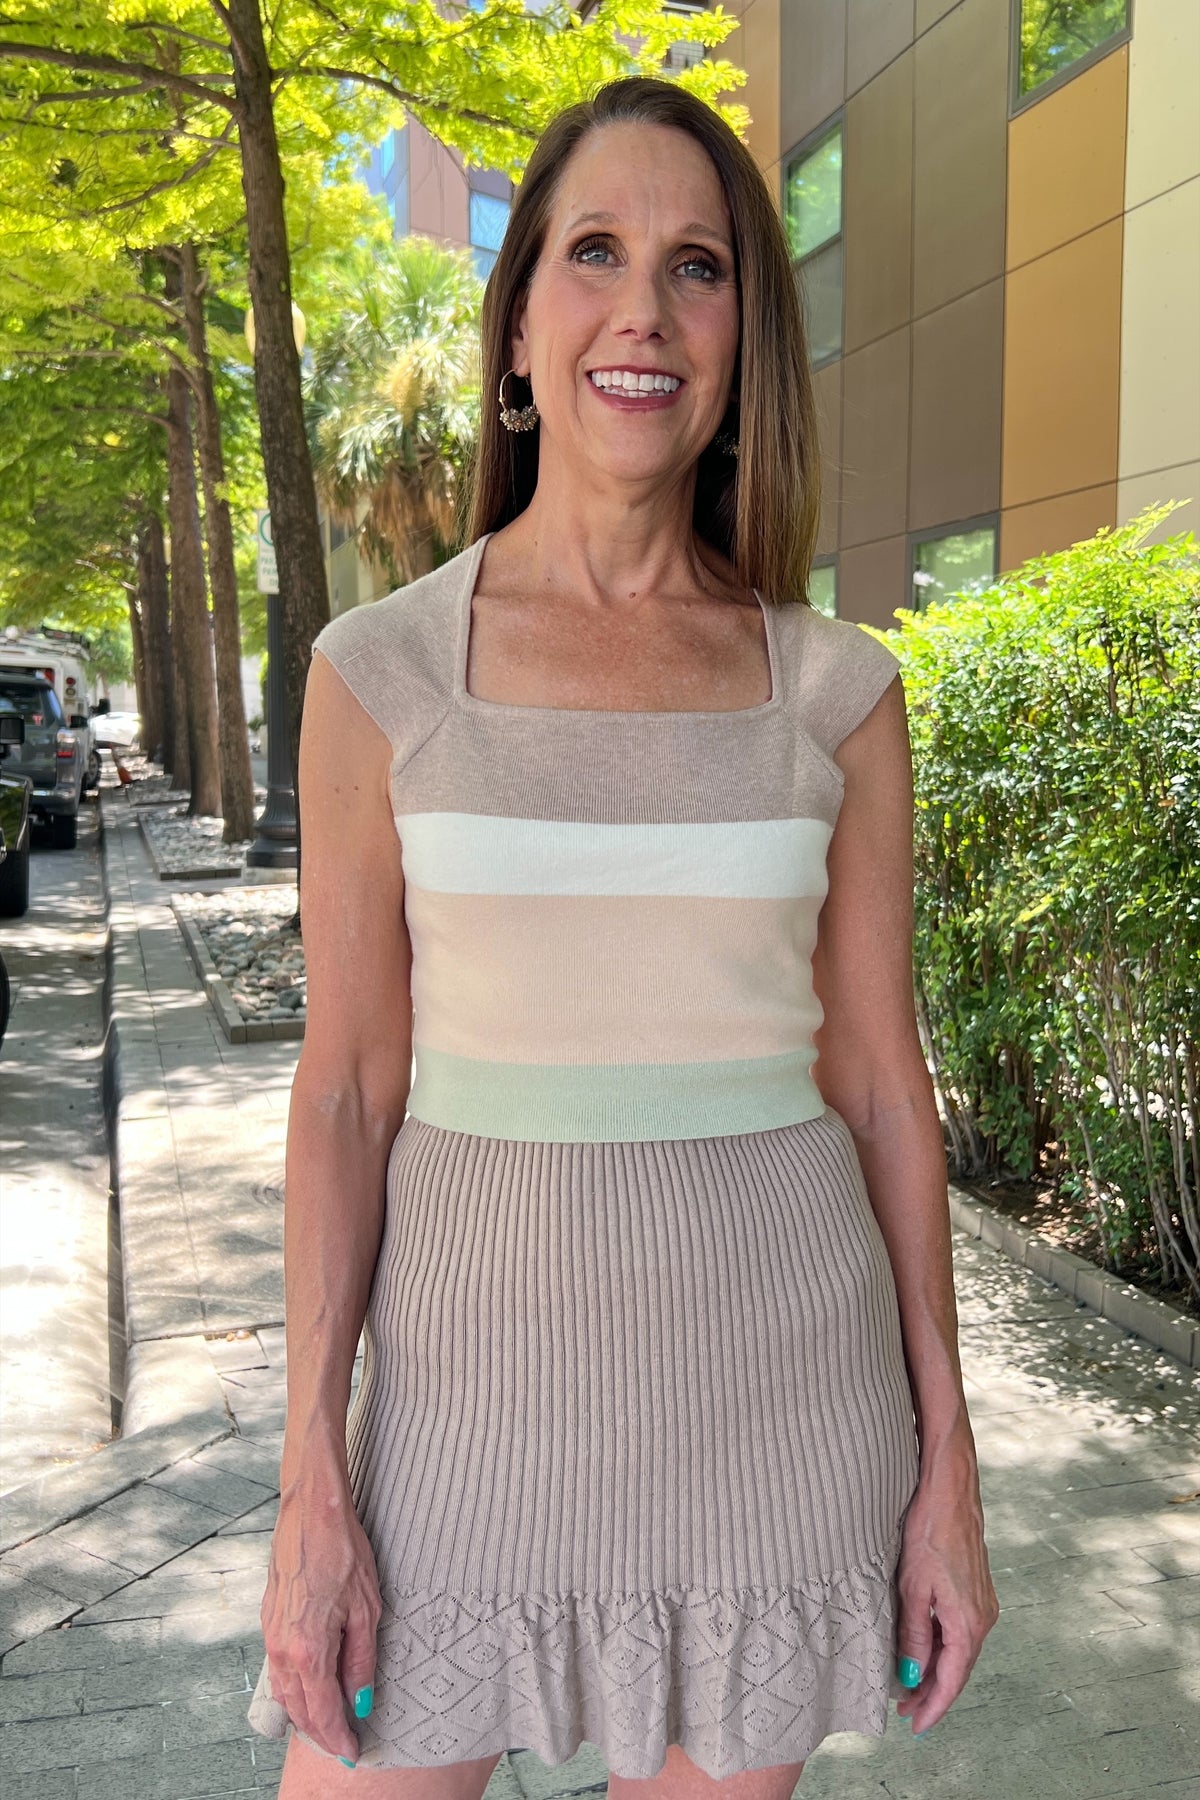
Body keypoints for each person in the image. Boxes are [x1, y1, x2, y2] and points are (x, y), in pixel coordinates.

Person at [247, 72, 998, 1798]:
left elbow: (886, 1089)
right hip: (461, 1430)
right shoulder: (381, 678)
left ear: (742, 342)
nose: (643, 310)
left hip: (776, 1419)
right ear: (519, 331)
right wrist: (310, 1482)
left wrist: (948, 1462)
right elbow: (348, 1093)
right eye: (593, 252)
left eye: (699, 266)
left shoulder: (834, 693)